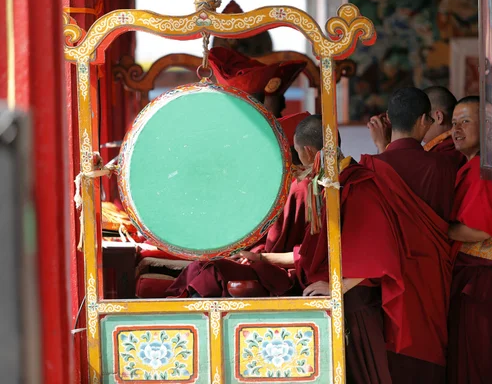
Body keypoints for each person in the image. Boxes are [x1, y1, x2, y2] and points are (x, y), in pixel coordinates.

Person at [166, 115, 334, 298]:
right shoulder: (306, 183)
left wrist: (258, 256)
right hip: (268, 262)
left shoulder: (301, 187)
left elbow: (294, 249)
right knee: (203, 265)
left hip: (284, 272)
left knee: (212, 269)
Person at [359, 87, 456, 383]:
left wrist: (381, 149)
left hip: (392, 278)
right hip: (432, 275)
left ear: (389, 119)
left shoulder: (372, 167)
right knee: (430, 352)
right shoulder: (443, 165)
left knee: (396, 355)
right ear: (425, 120)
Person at [446, 96, 492, 384]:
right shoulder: (468, 166)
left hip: (481, 282)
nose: (456, 129)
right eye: (454, 123)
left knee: (479, 361)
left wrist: (438, 229)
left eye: (466, 122)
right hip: (469, 278)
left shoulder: (484, 168)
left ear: (487, 126)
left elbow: (482, 229)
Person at [368, 85, 465, 169]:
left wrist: (382, 145)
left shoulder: (449, 153)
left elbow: (398, 182)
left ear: (438, 117)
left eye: (424, 117)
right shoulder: (440, 149)